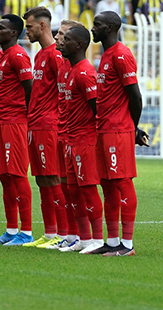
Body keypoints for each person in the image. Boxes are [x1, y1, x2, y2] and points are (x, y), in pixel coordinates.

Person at [90, 11, 148, 257]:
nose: (93, 28)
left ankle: (127, 244)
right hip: (103, 128)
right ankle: (112, 242)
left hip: (117, 129)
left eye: (97, 24)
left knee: (122, 182)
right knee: (107, 184)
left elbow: (135, 96)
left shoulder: (122, 55)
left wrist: (133, 127)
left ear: (111, 28)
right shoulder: (106, 55)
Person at [22, 7, 68, 249]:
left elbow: (64, 92)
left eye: (29, 27)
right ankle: (50, 233)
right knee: (41, 179)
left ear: (42, 26)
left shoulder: (54, 55)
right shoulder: (39, 55)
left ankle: (63, 232)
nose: (26, 31)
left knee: (53, 178)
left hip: (50, 125)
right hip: (35, 124)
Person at [58, 25, 106, 254]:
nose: (61, 42)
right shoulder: (71, 70)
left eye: (66, 39)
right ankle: (83, 238)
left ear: (78, 45)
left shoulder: (86, 73)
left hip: (85, 140)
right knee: (73, 190)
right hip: (71, 138)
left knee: (87, 189)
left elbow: (98, 108)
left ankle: (97, 238)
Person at [0, 14, 34, 246]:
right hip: (1, 121)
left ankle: (26, 232)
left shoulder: (18, 55)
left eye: (1, 28)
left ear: (13, 33)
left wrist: (26, 119)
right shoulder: (2, 55)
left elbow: (30, 90)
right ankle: (11, 229)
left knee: (17, 175)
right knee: (5, 177)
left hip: (15, 122)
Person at [52, 20, 85, 250]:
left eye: (63, 35)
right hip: (61, 131)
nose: (57, 38)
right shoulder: (63, 65)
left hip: (78, 135)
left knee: (80, 187)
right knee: (66, 187)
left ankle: (87, 237)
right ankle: (72, 236)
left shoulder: (80, 69)